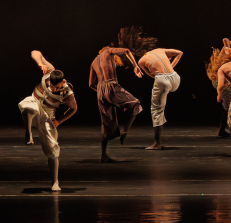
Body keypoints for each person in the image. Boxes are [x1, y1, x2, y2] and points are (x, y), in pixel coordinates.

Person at [18, 50, 77, 191]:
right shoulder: (49, 71)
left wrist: (59, 121)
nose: (53, 89)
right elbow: (34, 52)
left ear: (63, 82)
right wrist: (40, 63)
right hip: (34, 103)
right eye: (51, 86)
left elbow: (74, 109)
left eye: (56, 87)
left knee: (53, 149)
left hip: (47, 116)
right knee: (29, 107)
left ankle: (55, 182)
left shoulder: (67, 93)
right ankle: (28, 134)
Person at [90, 27, 145, 162]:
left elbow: (91, 84)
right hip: (111, 85)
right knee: (136, 104)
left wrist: (104, 94)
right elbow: (126, 51)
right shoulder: (108, 51)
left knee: (106, 124)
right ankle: (125, 130)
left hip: (100, 90)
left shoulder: (93, 62)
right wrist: (135, 66)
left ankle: (103, 156)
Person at [134, 40, 183, 150]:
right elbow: (180, 52)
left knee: (156, 110)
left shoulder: (141, 61)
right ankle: (156, 143)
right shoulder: (160, 50)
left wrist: (161, 75)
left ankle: (157, 144)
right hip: (175, 78)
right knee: (164, 96)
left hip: (163, 81)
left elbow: (152, 75)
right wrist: (171, 66)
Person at [206, 44, 231, 138]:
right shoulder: (224, 58)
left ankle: (223, 129)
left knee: (229, 105)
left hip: (220, 82)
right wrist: (229, 45)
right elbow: (226, 40)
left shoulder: (224, 59)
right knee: (229, 106)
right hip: (221, 83)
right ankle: (224, 129)